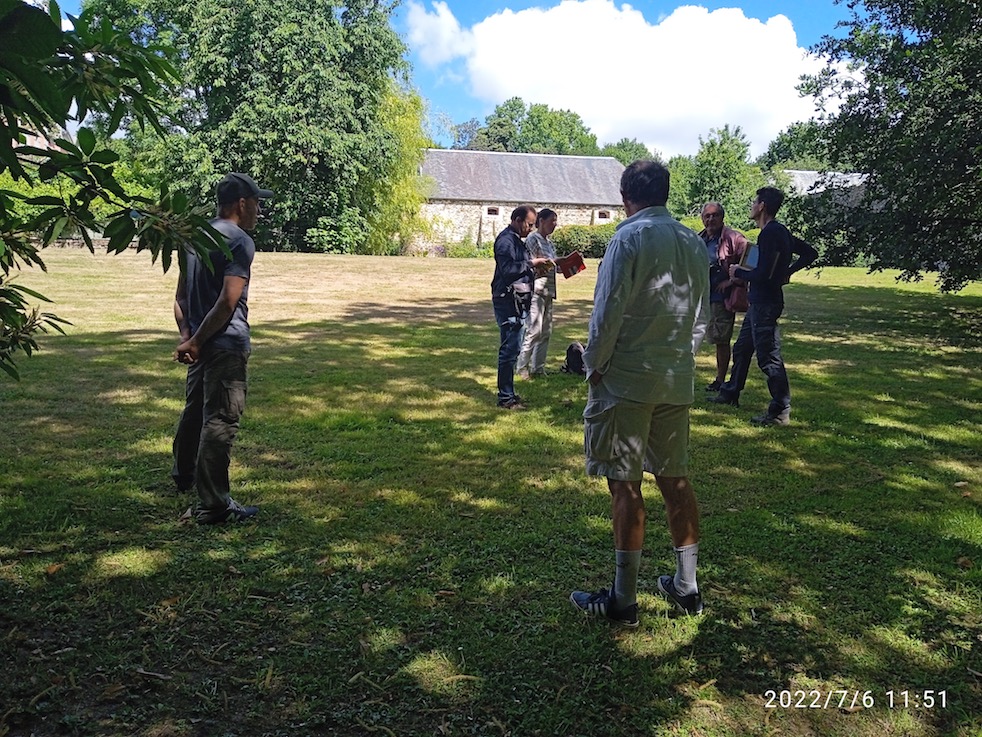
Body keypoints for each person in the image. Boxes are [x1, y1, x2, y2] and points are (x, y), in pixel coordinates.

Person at [570, 160, 709, 625]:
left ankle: (623, 599)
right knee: (675, 478)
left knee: (624, 484)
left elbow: (607, 309)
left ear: (626, 196)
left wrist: (593, 365)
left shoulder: (627, 237)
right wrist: (680, 358)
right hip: (674, 377)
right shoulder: (693, 240)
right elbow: (701, 317)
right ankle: (687, 587)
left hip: (626, 379)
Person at [171, 172, 271, 524]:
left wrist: (188, 337)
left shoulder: (194, 237)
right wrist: (196, 341)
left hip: (200, 341)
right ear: (242, 203)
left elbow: (181, 296)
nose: (259, 210)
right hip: (225, 343)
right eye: (258, 202)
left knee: (194, 410)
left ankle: (183, 476)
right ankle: (213, 505)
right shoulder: (240, 241)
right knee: (221, 420)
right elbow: (228, 302)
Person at [707, 187, 818, 426]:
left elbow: (764, 274)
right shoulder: (779, 232)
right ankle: (730, 392)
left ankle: (780, 410)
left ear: (762, 206)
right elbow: (810, 253)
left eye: (754, 202)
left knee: (769, 358)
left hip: (765, 302)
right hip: (759, 301)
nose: (751, 206)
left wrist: (739, 272)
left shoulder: (770, 233)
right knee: (742, 349)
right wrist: (787, 273)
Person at [490, 205, 553, 410]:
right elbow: (508, 270)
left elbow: (521, 266)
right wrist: (532, 264)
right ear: (517, 220)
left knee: (513, 347)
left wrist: (536, 267)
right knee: (509, 349)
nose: (530, 228)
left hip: (518, 298)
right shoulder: (505, 241)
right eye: (529, 224)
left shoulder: (517, 241)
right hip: (507, 299)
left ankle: (509, 394)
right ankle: (505, 398)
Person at [699, 202, 748, 391]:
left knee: (720, 339)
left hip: (721, 298)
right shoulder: (700, 238)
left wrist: (732, 280)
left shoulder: (733, 237)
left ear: (722, 217)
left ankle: (720, 380)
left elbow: (752, 258)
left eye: (715, 215)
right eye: (707, 216)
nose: (711, 219)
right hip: (702, 295)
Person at [516, 208, 559, 379]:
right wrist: (551, 263)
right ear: (541, 220)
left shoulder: (549, 243)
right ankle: (522, 367)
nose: (554, 225)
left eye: (556, 221)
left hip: (549, 289)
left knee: (546, 331)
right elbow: (529, 264)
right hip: (536, 289)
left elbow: (553, 265)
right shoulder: (533, 240)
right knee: (534, 330)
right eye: (551, 221)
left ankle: (538, 368)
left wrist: (568, 264)